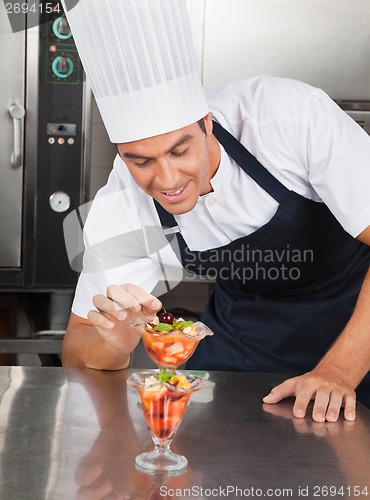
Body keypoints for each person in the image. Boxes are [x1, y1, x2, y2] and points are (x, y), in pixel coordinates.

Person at [61, 0, 370, 423]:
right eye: (141, 161)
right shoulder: (122, 202)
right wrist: (114, 343)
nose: (166, 180)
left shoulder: (286, 117)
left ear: (206, 122)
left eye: (180, 150)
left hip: (357, 320)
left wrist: (338, 370)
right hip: (246, 333)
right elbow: (77, 347)